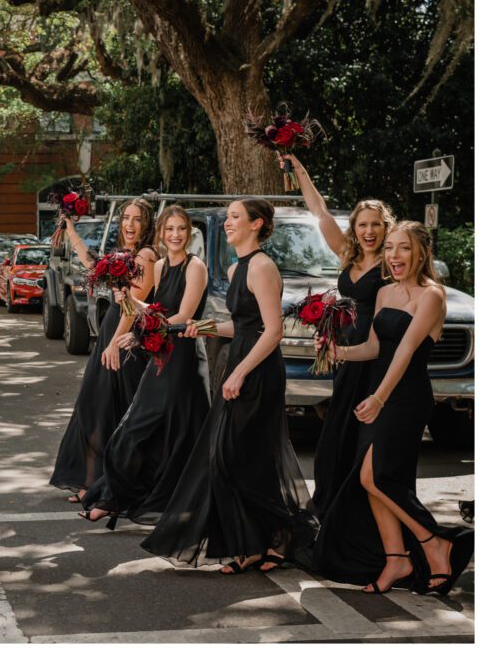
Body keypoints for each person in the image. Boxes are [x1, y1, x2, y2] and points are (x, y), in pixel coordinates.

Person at [141, 198, 315, 574]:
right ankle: (255, 542)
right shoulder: (237, 269)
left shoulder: (263, 266)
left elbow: (273, 331)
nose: (228, 223)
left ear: (256, 224)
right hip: (241, 361)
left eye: (235, 217)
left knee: (235, 455)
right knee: (235, 457)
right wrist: (203, 327)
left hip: (258, 370)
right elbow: (241, 325)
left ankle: (283, 534)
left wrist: (239, 374)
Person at [313, 221, 474, 595]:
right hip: (377, 391)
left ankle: (437, 543)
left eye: (403, 248)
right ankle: (396, 559)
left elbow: (405, 350)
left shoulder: (431, 295)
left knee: (377, 477)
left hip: (404, 397)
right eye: (390, 248)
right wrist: (338, 352)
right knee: (373, 480)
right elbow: (375, 347)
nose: (394, 256)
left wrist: (380, 398)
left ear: (421, 253)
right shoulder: (385, 292)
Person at [79, 205, 209, 529]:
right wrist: (126, 298)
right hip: (162, 357)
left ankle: (186, 505)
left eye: (181, 229)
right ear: (162, 233)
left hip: (186, 361)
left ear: (189, 234)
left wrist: (138, 335)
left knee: (183, 437)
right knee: (132, 432)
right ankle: (115, 498)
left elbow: (182, 316)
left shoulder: (196, 268)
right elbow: (152, 307)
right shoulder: (162, 266)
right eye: (170, 229)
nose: (175, 235)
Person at [285, 154, 394, 520]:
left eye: (376, 225)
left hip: (375, 356)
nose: (369, 231)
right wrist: (300, 170)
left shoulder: (392, 264)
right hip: (344, 353)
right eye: (363, 224)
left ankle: (356, 511)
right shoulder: (347, 254)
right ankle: (331, 505)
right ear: (355, 228)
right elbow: (320, 213)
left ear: (385, 227)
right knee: (336, 431)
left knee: (360, 433)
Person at [49, 199, 158, 503]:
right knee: (96, 407)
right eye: (126, 218)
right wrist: (71, 231)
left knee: (117, 409)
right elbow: (91, 264)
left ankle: (114, 485)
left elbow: (133, 308)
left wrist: (112, 343)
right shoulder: (125, 255)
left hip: (125, 340)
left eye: (137, 219)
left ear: (147, 224)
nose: (130, 224)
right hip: (111, 334)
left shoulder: (147, 256)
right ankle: (92, 481)